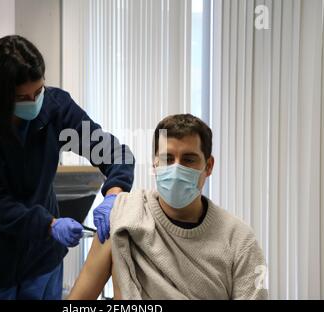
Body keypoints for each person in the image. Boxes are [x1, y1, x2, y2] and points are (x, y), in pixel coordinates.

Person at [0, 35, 135, 300]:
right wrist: (48, 224)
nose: (33, 101)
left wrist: (114, 193)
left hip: (43, 260)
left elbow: (113, 152)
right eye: (22, 97)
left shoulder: (55, 108)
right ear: (0, 96)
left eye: (38, 91)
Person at [68, 114, 268, 300]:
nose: (176, 168)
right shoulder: (123, 214)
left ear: (208, 166)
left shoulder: (239, 240)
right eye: (167, 159)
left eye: (188, 160)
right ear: (155, 164)